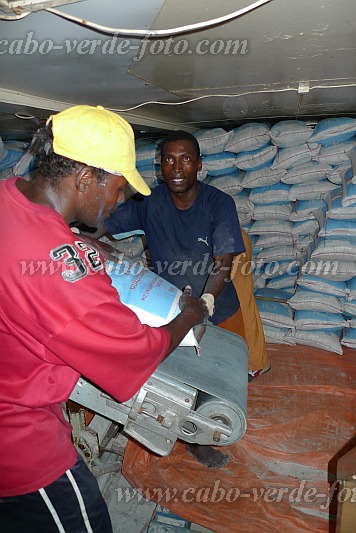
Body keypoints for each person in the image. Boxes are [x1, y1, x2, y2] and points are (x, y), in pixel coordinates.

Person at [0, 106, 208, 532]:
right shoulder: (64, 271)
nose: (119, 201)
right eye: (116, 188)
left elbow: (30, 239)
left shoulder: (9, 195)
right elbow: (136, 351)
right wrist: (188, 315)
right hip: (22, 449)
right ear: (84, 178)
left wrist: (80, 243)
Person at [85, 130, 270, 380]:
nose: (177, 168)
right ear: (161, 166)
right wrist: (69, 231)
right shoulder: (149, 202)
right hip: (172, 298)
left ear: (199, 164)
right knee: (181, 370)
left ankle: (254, 365)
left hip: (220, 283)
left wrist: (206, 303)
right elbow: (104, 226)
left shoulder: (219, 204)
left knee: (233, 363)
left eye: (185, 159)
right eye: (169, 160)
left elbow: (223, 262)